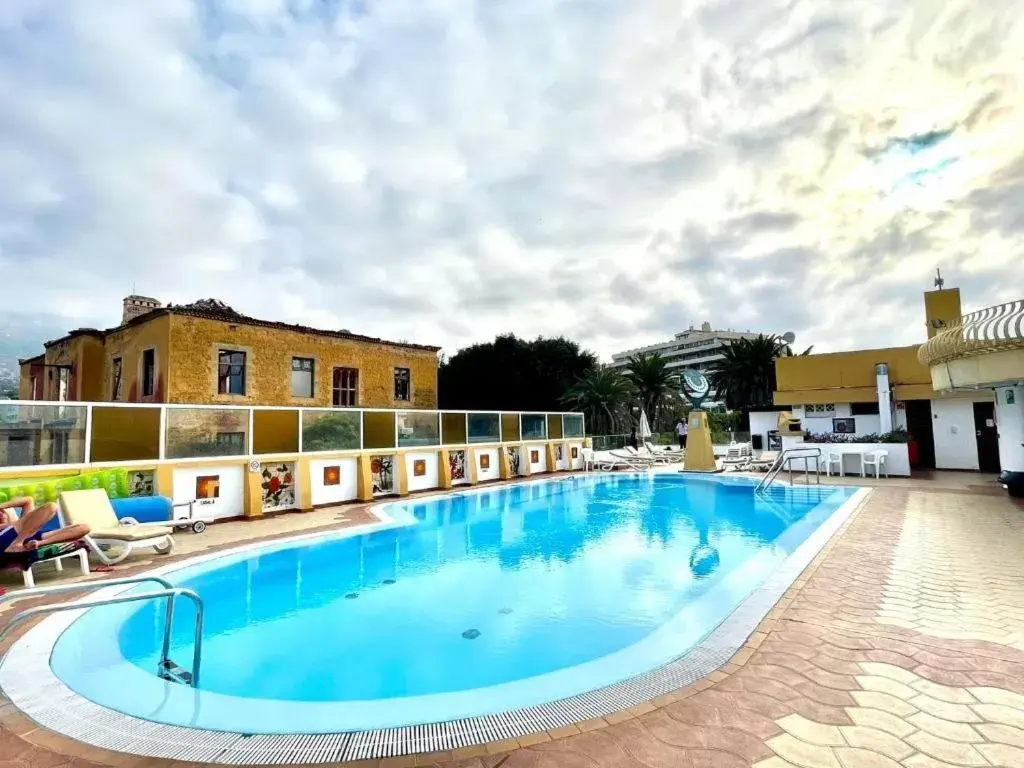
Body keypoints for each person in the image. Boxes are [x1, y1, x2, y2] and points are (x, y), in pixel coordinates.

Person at [0, 496, 90, 558]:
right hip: (5, 542)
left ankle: (39, 543)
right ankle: (17, 543)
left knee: (85, 527)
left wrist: (39, 543)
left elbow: (28, 500)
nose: (1, 514)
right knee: (51, 506)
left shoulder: (25, 525)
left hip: (34, 539)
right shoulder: (15, 525)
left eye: (2, 511)